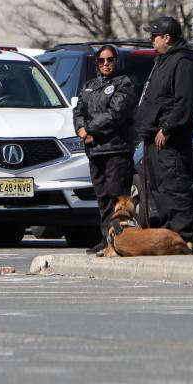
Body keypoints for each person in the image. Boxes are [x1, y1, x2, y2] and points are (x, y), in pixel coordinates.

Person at [134, 16, 193, 251]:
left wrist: (168, 127)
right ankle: (167, 237)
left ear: (167, 38)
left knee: (175, 186)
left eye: (154, 36)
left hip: (170, 140)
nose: (151, 40)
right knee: (159, 188)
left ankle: (183, 238)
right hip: (152, 137)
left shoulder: (182, 62)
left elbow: (184, 101)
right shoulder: (163, 61)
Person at [73, 45, 137, 255]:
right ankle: (106, 238)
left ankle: (121, 240)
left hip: (116, 150)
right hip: (94, 149)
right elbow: (79, 110)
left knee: (117, 197)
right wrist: (81, 130)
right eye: (102, 60)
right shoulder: (90, 85)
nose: (106, 64)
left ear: (117, 61)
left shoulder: (124, 84)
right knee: (102, 197)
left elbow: (115, 114)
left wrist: (91, 129)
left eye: (110, 60)